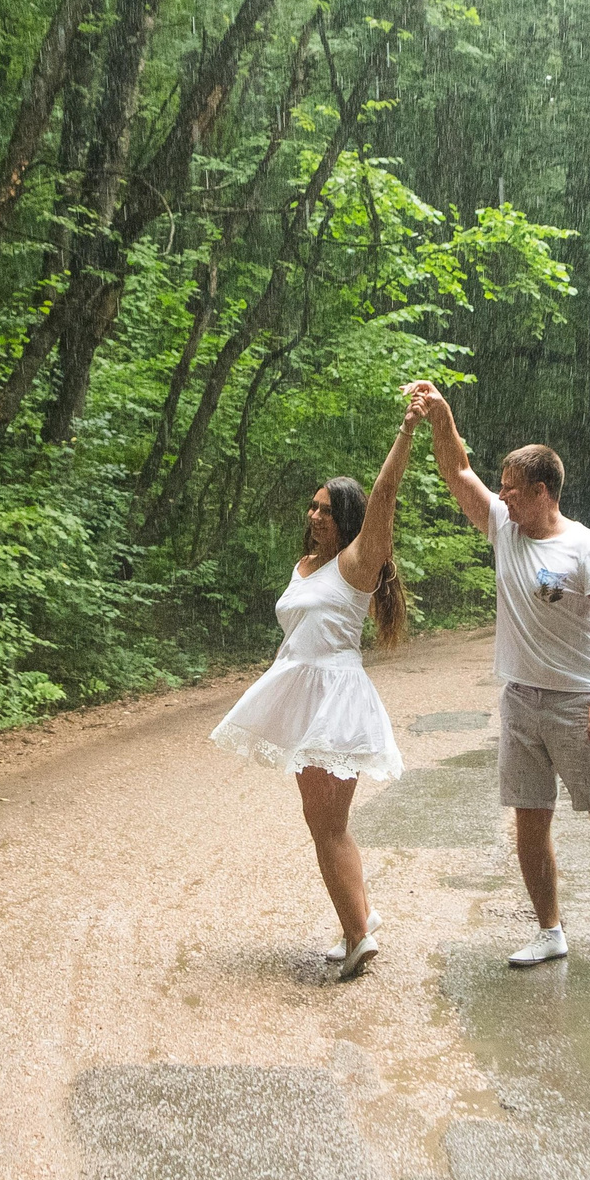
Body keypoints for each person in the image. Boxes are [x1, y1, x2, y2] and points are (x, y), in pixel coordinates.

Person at [402, 382, 590, 975]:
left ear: (541, 492)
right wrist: (442, 413)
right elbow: (456, 471)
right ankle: (550, 931)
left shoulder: (585, 549)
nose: (501, 498)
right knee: (529, 819)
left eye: (512, 490)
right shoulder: (504, 529)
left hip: (577, 704)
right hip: (519, 701)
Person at [208, 397, 422, 979]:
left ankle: (357, 936)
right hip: (305, 696)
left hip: (337, 701)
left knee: (326, 827)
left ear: (350, 517)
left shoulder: (359, 561)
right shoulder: (306, 564)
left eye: (327, 509)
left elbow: (384, 496)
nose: (315, 515)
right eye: (312, 506)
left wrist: (405, 430)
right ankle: (361, 918)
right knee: (327, 824)